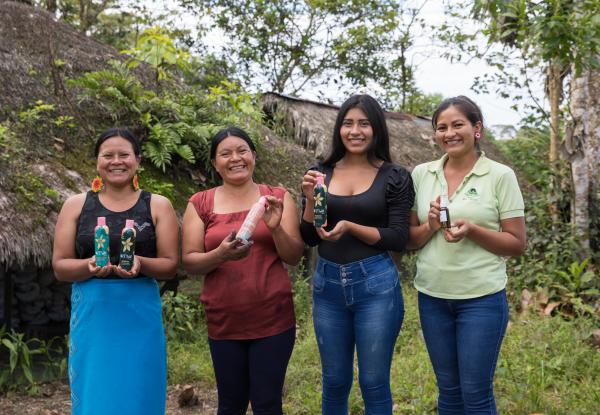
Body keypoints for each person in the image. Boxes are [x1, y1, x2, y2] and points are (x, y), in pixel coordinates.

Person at [408, 96, 526, 414]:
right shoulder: (421, 174)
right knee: (448, 392)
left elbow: (516, 243)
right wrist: (431, 225)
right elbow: (410, 240)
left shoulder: (500, 175)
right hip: (432, 297)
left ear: (477, 129)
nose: (449, 133)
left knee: (475, 393)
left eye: (458, 124)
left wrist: (472, 230)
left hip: (482, 299)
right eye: (441, 127)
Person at [300, 94, 414, 414]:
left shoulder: (394, 176)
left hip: (376, 284)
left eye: (364, 124)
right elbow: (309, 235)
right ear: (339, 129)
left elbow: (399, 237)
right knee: (334, 380)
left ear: (376, 129)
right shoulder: (320, 172)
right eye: (348, 123)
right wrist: (309, 199)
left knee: (374, 380)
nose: (355, 131)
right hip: (327, 286)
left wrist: (351, 226)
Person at [52, 128, 179, 415]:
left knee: (140, 392)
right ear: (97, 162)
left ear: (138, 160)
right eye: (108, 155)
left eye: (124, 154)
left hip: (139, 313)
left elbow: (171, 264)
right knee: (95, 393)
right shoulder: (76, 205)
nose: (116, 161)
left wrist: (141, 264)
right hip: (93, 314)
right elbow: (60, 266)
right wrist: (87, 266)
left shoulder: (157, 205)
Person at [182, 126, 304, 415]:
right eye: (225, 154)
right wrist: (220, 254)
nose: (235, 158)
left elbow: (294, 255)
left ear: (253, 156)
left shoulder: (276, 197)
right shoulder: (200, 203)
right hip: (224, 320)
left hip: (273, 320)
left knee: (267, 404)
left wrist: (275, 229)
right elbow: (189, 261)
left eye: (242, 151)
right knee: (230, 405)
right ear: (215, 163)